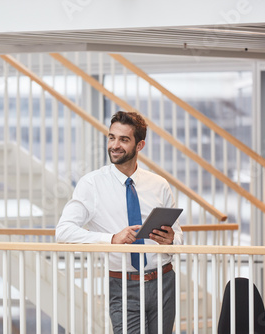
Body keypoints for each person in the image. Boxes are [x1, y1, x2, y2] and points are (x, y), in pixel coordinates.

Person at [56, 111, 183, 333]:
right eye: (111, 137)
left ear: (140, 145)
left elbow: (179, 236)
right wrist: (112, 239)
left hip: (163, 281)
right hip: (123, 285)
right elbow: (63, 232)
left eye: (124, 139)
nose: (115, 145)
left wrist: (172, 240)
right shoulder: (91, 184)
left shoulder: (159, 184)